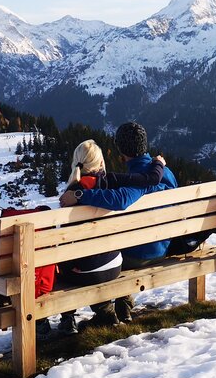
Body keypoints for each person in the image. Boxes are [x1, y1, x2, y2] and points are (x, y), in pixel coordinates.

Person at [60, 122, 178, 324]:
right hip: (164, 246)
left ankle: (111, 312)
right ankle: (124, 308)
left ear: (122, 153)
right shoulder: (166, 173)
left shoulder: (136, 180)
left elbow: (121, 200)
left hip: (137, 254)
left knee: (101, 258)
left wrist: (79, 194)